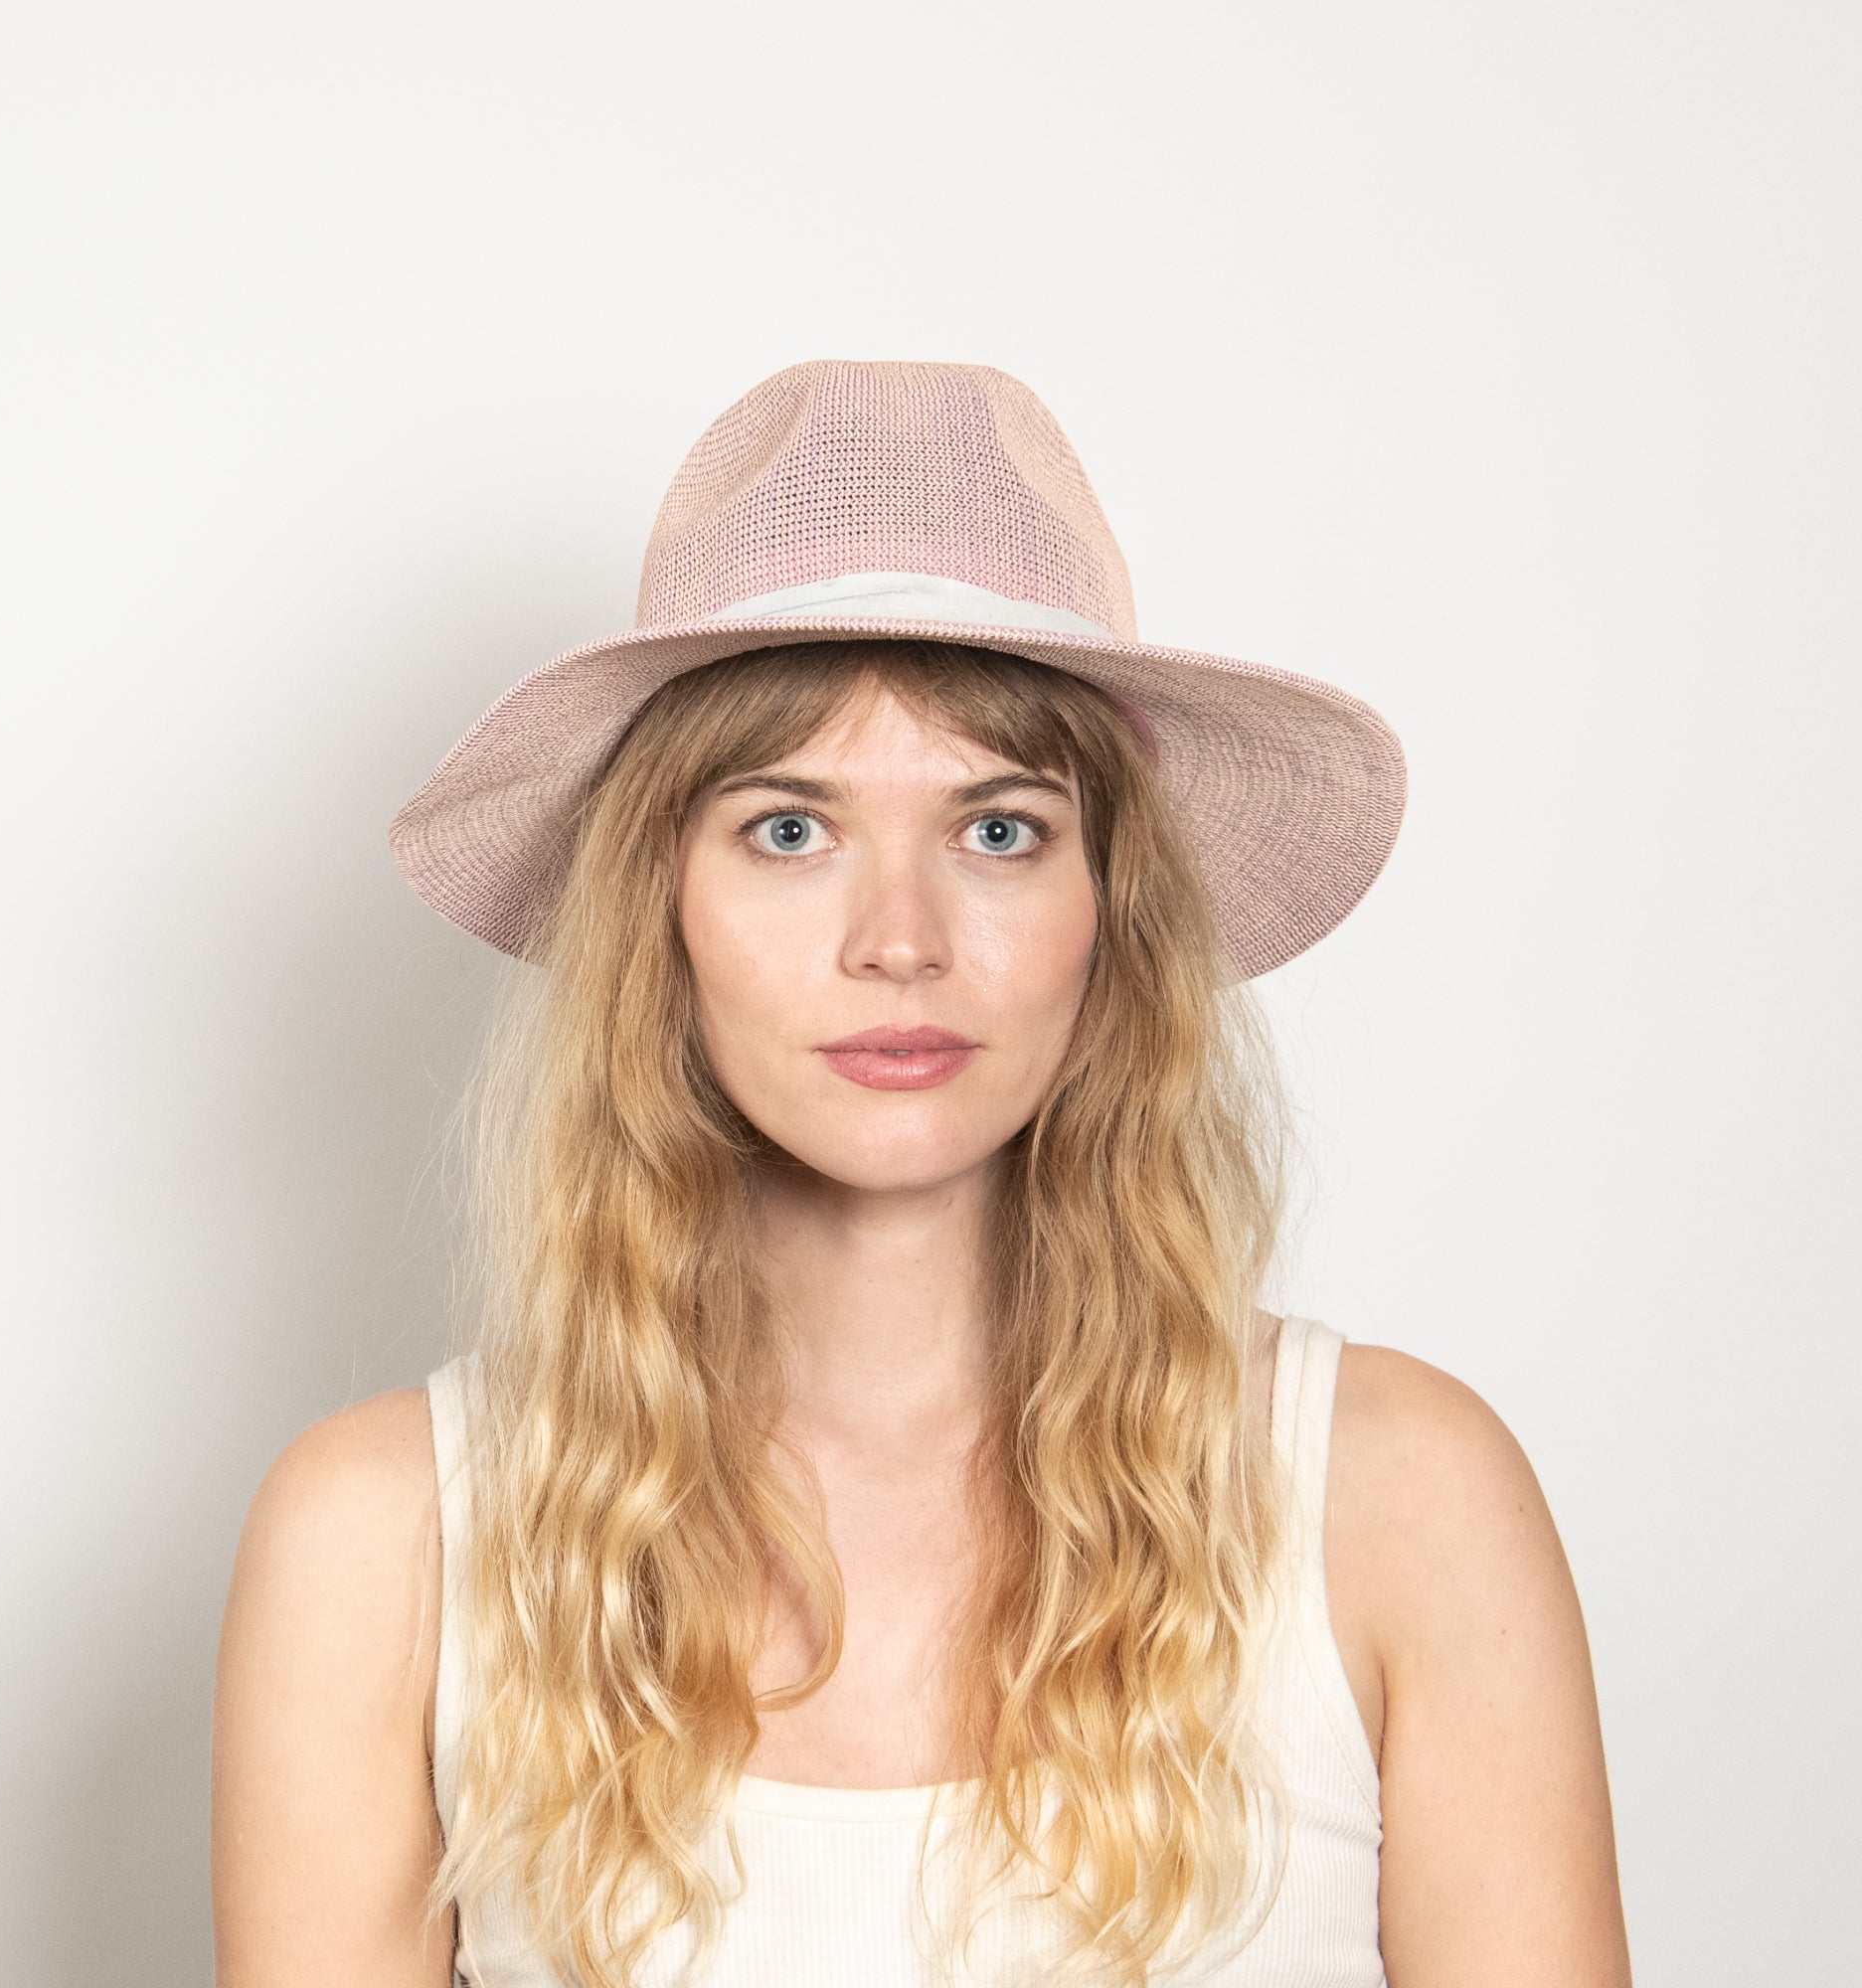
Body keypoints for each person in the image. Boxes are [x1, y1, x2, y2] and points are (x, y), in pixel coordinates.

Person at [211, 362, 1631, 1987]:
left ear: (1115, 919)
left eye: (1001, 830)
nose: (901, 942)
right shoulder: (389, 1542)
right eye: (788, 829)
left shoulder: (1399, 1504)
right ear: (652, 918)